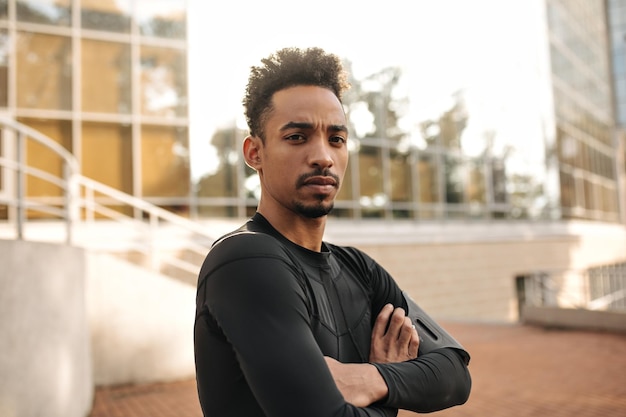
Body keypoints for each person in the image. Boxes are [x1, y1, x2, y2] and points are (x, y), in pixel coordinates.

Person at [194, 46, 471, 417]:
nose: (323, 156)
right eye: (297, 137)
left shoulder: (359, 268)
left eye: (336, 139)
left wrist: (370, 379)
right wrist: (396, 392)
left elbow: (455, 374)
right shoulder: (245, 261)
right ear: (254, 152)